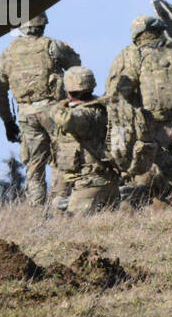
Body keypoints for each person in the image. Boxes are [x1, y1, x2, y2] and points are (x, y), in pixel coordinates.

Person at [106, 14, 172, 201]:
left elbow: (119, 93)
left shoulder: (131, 56)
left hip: (148, 124)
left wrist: (133, 116)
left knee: (146, 167)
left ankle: (150, 204)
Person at [0, 13, 81, 207]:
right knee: (61, 158)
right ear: (43, 25)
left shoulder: (9, 52)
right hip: (54, 110)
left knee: (34, 165)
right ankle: (60, 204)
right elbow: (76, 68)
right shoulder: (53, 46)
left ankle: (37, 210)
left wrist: (8, 122)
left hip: (26, 114)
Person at [49, 68, 120, 215]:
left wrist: (56, 105)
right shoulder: (99, 108)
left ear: (68, 90)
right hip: (98, 180)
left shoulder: (86, 113)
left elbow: (66, 120)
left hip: (92, 182)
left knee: (77, 228)